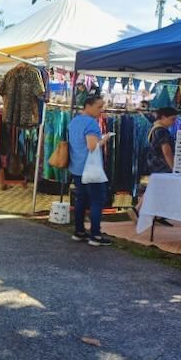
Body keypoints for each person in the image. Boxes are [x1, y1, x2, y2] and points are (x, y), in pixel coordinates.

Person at [68, 95, 114, 247]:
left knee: (81, 199)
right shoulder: (91, 123)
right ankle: (95, 235)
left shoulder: (74, 121)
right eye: (99, 107)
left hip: (76, 166)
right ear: (88, 105)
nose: (101, 110)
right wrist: (105, 139)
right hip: (90, 169)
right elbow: (92, 146)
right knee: (96, 201)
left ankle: (79, 231)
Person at [136, 106, 179, 226]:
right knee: (159, 189)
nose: (173, 122)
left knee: (157, 188)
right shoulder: (162, 131)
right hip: (162, 165)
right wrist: (173, 167)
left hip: (154, 163)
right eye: (172, 119)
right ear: (163, 117)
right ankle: (142, 210)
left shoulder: (153, 128)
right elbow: (166, 151)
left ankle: (148, 211)